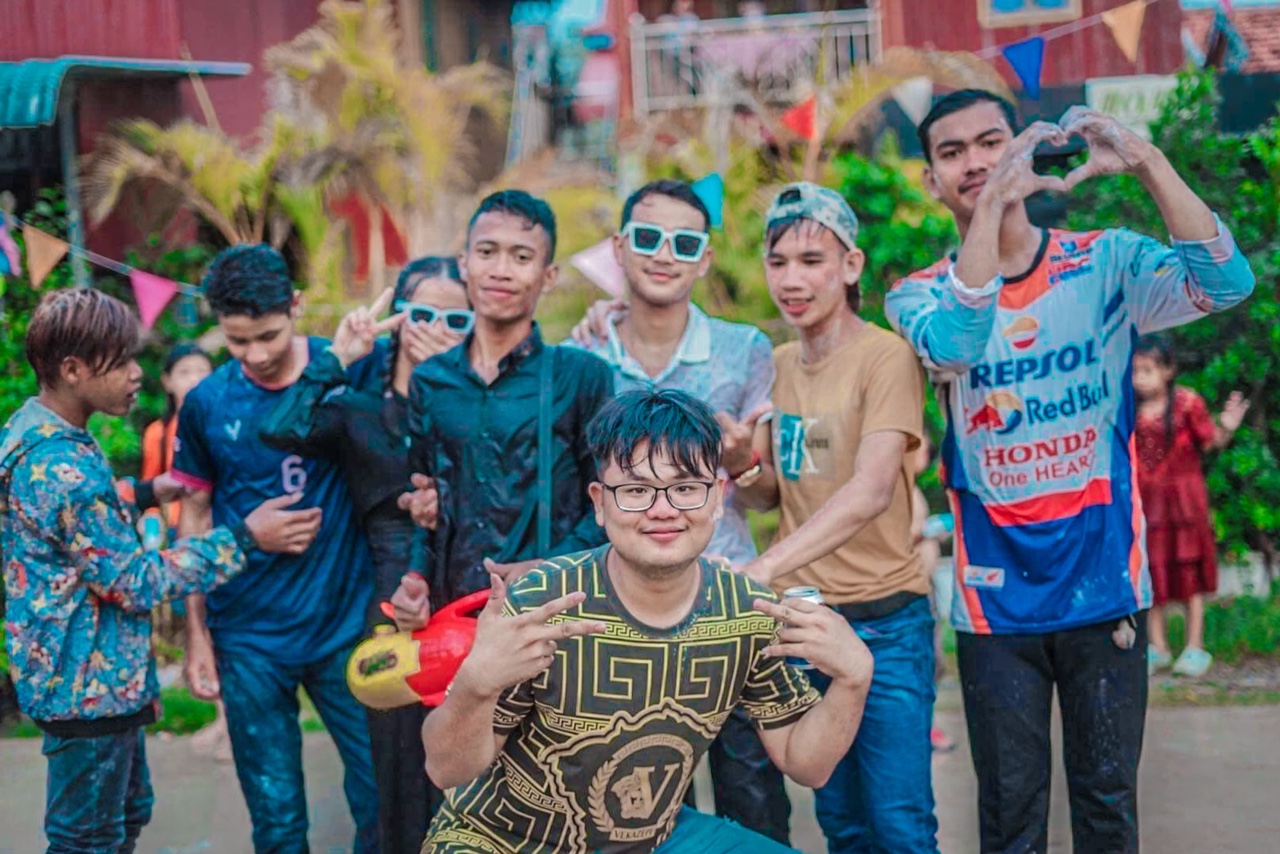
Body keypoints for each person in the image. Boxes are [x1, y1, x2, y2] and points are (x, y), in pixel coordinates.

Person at [886, 89, 1256, 853]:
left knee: (1107, 812)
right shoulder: (917, 294)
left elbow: (1227, 284)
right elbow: (958, 345)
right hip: (994, 607)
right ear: (930, 180)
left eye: (991, 143)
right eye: (952, 152)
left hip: (1105, 587)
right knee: (1010, 820)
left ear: (1023, 146)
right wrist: (994, 206)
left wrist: (1146, 162)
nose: (975, 163)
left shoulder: (1103, 261)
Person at [417, 389, 875, 852]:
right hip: (502, 840)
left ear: (718, 497)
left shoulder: (745, 610)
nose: (663, 509)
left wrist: (854, 678)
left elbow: (806, 763)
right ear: (600, 502)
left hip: (651, 840)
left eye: (686, 488)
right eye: (636, 490)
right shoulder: (546, 602)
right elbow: (446, 770)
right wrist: (476, 684)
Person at [0, 288, 285, 853]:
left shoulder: (37, 430)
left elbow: (72, 526)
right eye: (122, 361)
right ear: (73, 370)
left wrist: (149, 491)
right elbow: (135, 581)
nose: (137, 374)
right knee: (89, 839)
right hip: (87, 689)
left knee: (126, 813)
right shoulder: (60, 466)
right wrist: (245, 538)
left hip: (84, 679)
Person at [567, 179, 793, 843]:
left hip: (730, 603)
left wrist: (740, 462)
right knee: (637, 810)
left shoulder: (744, 349)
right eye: (648, 238)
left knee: (754, 799)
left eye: (684, 243)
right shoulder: (583, 356)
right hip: (621, 613)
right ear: (619, 248)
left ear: (705, 258)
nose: (664, 254)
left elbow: (765, 496)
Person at [732, 182, 938, 853]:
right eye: (778, 262)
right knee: (842, 823)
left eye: (811, 260)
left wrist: (764, 567)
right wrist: (741, 464)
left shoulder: (885, 356)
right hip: (808, 622)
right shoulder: (776, 365)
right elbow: (768, 496)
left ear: (850, 265)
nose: (792, 280)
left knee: (900, 824)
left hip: (887, 622)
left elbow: (871, 490)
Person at [171, 244, 380, 853]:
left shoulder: (349, 366)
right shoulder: (207, 402)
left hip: (346, 626)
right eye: (238, 341)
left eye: (268, 335)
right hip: (249, 639)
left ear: (295, 305)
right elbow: (194, 515)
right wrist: (196, 633)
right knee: (277, 819)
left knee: (379, 797)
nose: (256, 355)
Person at [260, 256, 470, 854]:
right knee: (397, 778)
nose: (438, 330)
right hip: (391, 608)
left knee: (480, 772)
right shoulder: (361, 410)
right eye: (423, 315)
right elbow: (281, 426)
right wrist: (339, 355)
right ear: (398, 320)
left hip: (470, 598)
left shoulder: (477, 412)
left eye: (457, 319)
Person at [393, 190, 613, 623]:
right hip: (455, 616)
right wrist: (416, 577)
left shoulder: (581, 376)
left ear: (548, 276)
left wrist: (551, 570)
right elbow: (428, 505)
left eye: (521, 257)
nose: (500, 270)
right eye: (487, 252)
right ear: (464, 264)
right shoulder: (431, 380)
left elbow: (611, 501)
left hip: (556, 616)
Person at [1133, 334, 1248, 678]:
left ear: (1168, 370)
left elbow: (1211, 441)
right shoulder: (1128, 408)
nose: (1139, 379)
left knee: (1189, 576)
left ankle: (1194, 646)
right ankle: (1157, 647)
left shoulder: (1187, 403)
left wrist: (1227, 426)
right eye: (1135, 371)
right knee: (1151, 572)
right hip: (1147, 507)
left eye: (1147, 370)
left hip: (1185, 506)